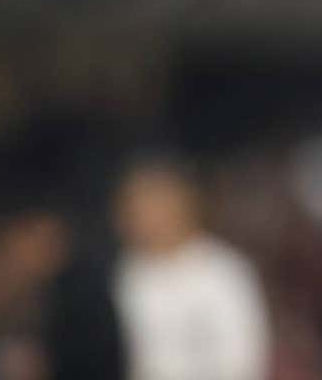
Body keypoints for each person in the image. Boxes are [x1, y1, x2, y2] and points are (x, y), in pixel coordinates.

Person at [112, 155, 269, 380]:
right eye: (134, 205)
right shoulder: (121, 274)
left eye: (154, 202)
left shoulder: (226, 273)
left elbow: (241, 364)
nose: (144, 216)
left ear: (184, 203)